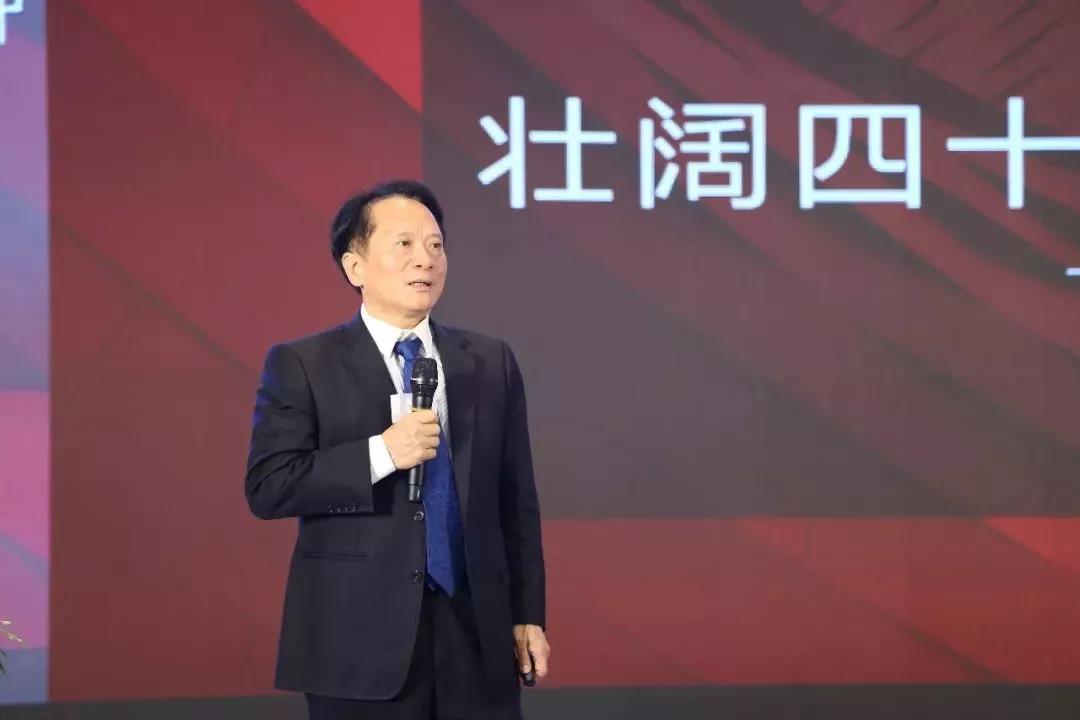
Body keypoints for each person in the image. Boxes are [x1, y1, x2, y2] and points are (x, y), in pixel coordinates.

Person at [245, 180, 549, 719]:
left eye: (435, 245)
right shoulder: (303, 364)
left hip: (476, 635)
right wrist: (382, 454)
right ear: (355, 266)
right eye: (404, 244)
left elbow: (515, 502)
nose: (425, 259)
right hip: (357, 639)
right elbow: (270, 486)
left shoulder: (488, 361)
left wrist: (528, 614)